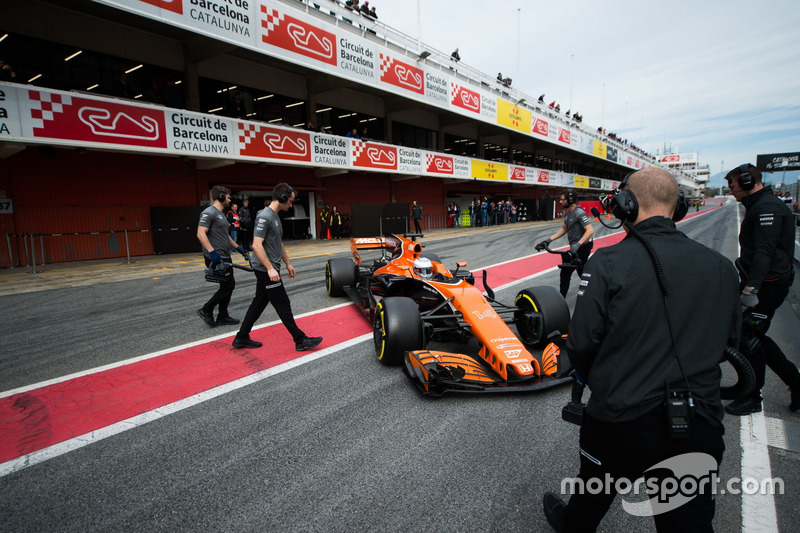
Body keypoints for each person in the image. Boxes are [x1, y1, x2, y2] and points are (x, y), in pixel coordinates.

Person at [542, 168, 741, 533]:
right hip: (697, 422)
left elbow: (582, 343)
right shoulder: (723, 268)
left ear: (625, 205)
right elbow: (731, 343)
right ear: (678, 207)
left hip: (620, 418)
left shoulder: (607, 262)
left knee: (590, 496)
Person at [724, 163, 800, 415]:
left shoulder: (767, 207)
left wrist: (750, 291)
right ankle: (796, 383)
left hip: (767, 286)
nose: (730, 189)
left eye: (732, 184)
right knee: (751, 335)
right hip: (761, 283)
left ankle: (753, 397)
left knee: (749, 336)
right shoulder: (758, 205)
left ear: (746, 182)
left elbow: (765, 252)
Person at [233, 183, 323, 351]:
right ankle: (300, 339)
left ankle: (241, 337)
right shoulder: (265, 216)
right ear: (282, 198)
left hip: (270, 268)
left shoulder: (275, 216)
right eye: (290, 201)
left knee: (259, 302)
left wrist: (287, 263)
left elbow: (278, 243)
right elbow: (256, 245)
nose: (291, 205)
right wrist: (270, 268)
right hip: (265, 269)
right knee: (282, 303)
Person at [197, 186, 250, 328]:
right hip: (216, 257)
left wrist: (238, 248)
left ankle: (222, 315)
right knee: (229, 285)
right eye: (227, 196)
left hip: (224, 256)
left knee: (226, 285)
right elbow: (200, 233)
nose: (229, 199)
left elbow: (225, 236)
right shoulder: (209, 213)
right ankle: (206, 309)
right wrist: (212, 253)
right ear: (220, 197)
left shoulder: (221, 214)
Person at [535, 189, 594, 297]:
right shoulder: (568, 214)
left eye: (562, 200)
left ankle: (594, 295)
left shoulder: (579, 213)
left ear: (570, 200)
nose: (560, 202)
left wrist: (578, 244)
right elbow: (563, 229)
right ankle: (562, 298)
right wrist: (548, 241)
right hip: (575, 249)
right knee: (568, 273)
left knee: (580, 273)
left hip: (582, 248)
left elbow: (590, 230)